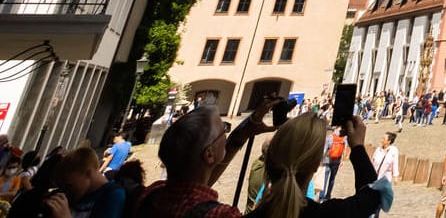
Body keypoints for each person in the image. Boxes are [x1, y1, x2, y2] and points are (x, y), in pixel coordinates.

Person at [132, 98, 276, 218]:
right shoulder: (220, 214)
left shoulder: (152, 193)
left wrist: (247, 128)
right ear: (209, 154)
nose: (226, 134)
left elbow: (195, 190)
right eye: (224, 129)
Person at [253, 113, 383, 218]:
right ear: (316, 165)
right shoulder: (327, 214)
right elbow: (373, 196)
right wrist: (358, 148)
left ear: (269, 159)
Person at [47, 145, 123, 218]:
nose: (67, 191)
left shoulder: (113, 195)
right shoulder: (79, 192)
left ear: (88, 173)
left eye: (70, 186)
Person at [318, 126, 347, 202]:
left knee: (325, 179)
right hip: (337, 161)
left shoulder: (329, 137)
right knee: (332, 179)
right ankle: (328, 196)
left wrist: (321, 160)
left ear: (335, 128)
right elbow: (345, 149)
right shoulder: (343, 137)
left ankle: (321, 197)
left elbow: (324, 150)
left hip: (327, 161)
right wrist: (342, 160)